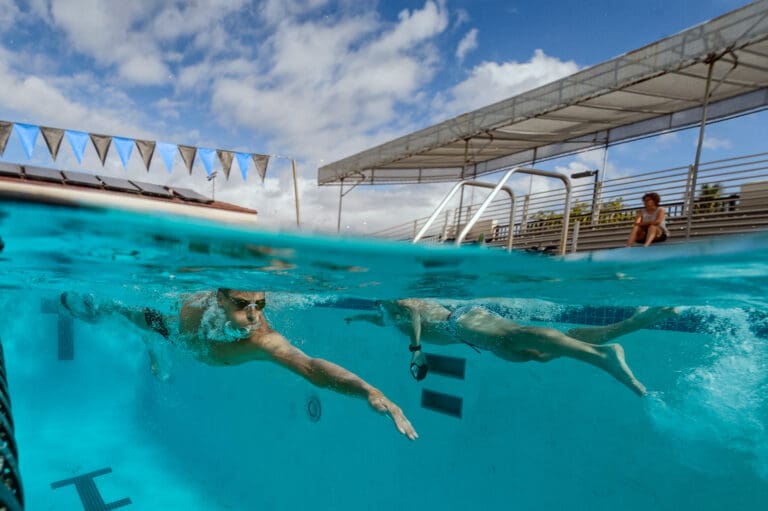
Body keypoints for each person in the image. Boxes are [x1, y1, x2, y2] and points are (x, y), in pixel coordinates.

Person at [60, 289, 417, 440]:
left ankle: (150, 341)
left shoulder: (262, 339)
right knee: (134, 315)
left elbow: (312, 368)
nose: (251, 314)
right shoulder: (192, 304)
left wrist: (367, 390)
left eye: (260, 304)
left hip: (194, 344)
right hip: (176, 331)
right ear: (219, 298)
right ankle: (99, 310)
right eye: (241, 303)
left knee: (153, 327)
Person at [347, 299, 678, 397]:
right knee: (538, 355)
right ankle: (627, 328)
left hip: (460, 320)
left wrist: (416, 349)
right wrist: (359, 319)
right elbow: (387, 320)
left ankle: (602, 358)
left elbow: (412, 313)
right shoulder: (382, 311)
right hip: (470, 337)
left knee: (519, 334)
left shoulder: (394, 296)